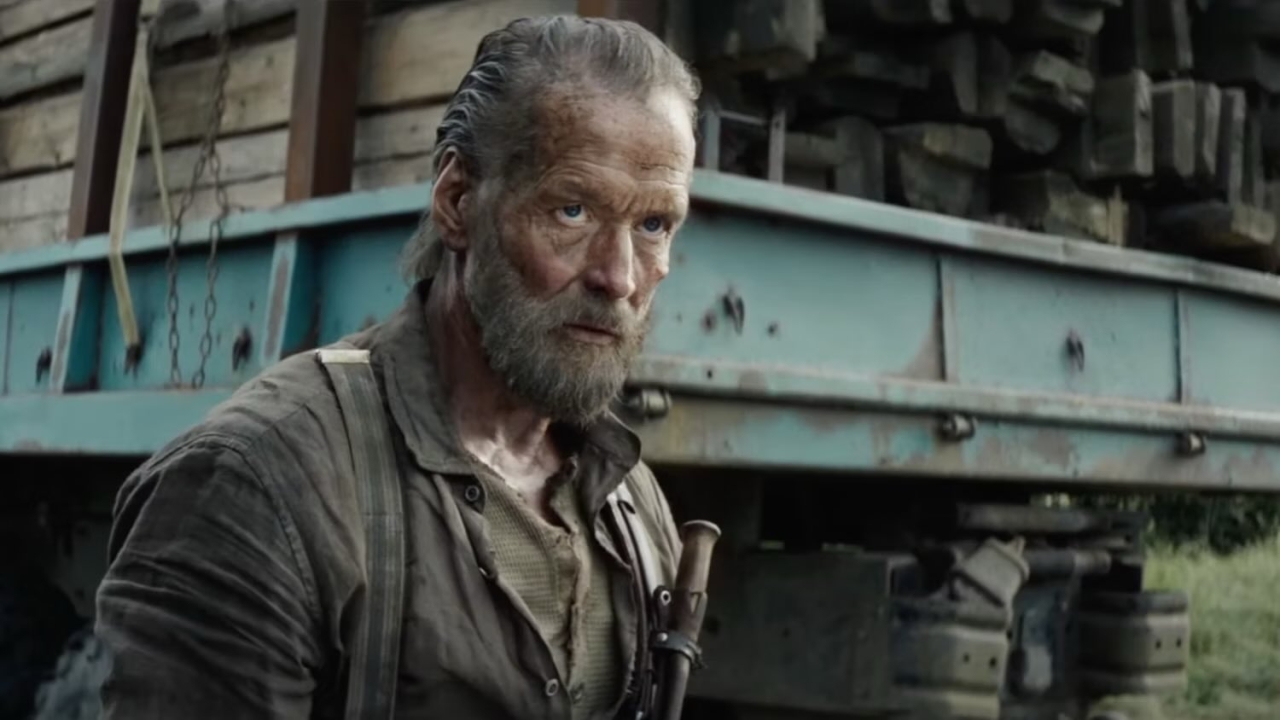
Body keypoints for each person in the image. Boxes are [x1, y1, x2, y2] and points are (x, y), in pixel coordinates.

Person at [94, 14, 700, 720]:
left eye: (654, 225)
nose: (619, 277)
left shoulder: (629, 500)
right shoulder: (258, 487)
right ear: (457, 202)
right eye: (572, 210)